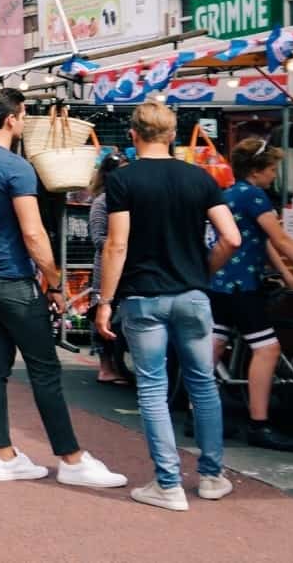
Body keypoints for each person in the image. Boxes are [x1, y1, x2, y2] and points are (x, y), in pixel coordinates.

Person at [0, 88, 127, 489]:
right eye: (24, 114)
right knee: (45, 369)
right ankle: (70, 458)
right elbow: (32, 233)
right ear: (12, 118)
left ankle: (3, 455)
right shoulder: (17, 168)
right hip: (13, 278)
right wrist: (55, 280)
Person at [95, 102, 241, 511]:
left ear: (134, 135)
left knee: (154, 389)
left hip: (144, 298)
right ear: (172, 135)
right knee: (203, 384)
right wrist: (203, 270)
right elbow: (231, 238)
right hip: (192, 295)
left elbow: (116, 244)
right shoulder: (199, 178)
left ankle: (168, 484)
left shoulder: (124, 181)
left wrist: (104, 301)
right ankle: (212, 476)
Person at [212, 139, 293, 448]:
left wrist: (287, 275)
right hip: (243, 284)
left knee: (213, 346)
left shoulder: (228, 194)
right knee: (267, 349)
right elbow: (280, 239)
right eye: (271, 169)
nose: (273, 175)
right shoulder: (255, 196)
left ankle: (199, 413)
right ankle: (259, 422)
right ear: (256, 171)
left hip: (218, 282)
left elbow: (263, 240)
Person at [86, 154, 131, 386]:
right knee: (102, 309)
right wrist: (119, 245)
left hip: (128, 264)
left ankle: (119, 363)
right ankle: (105, 366)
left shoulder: (128, 197)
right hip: (107, 265)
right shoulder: (102, 201)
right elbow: (98, 238)